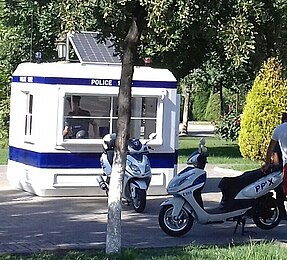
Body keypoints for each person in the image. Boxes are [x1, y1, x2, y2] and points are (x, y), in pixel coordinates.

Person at [262, 112, 287, 219]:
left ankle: (282, 212)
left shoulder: (279, 129)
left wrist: (267, 164)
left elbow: (270, 150)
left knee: (281, 190)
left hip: (286, 165)